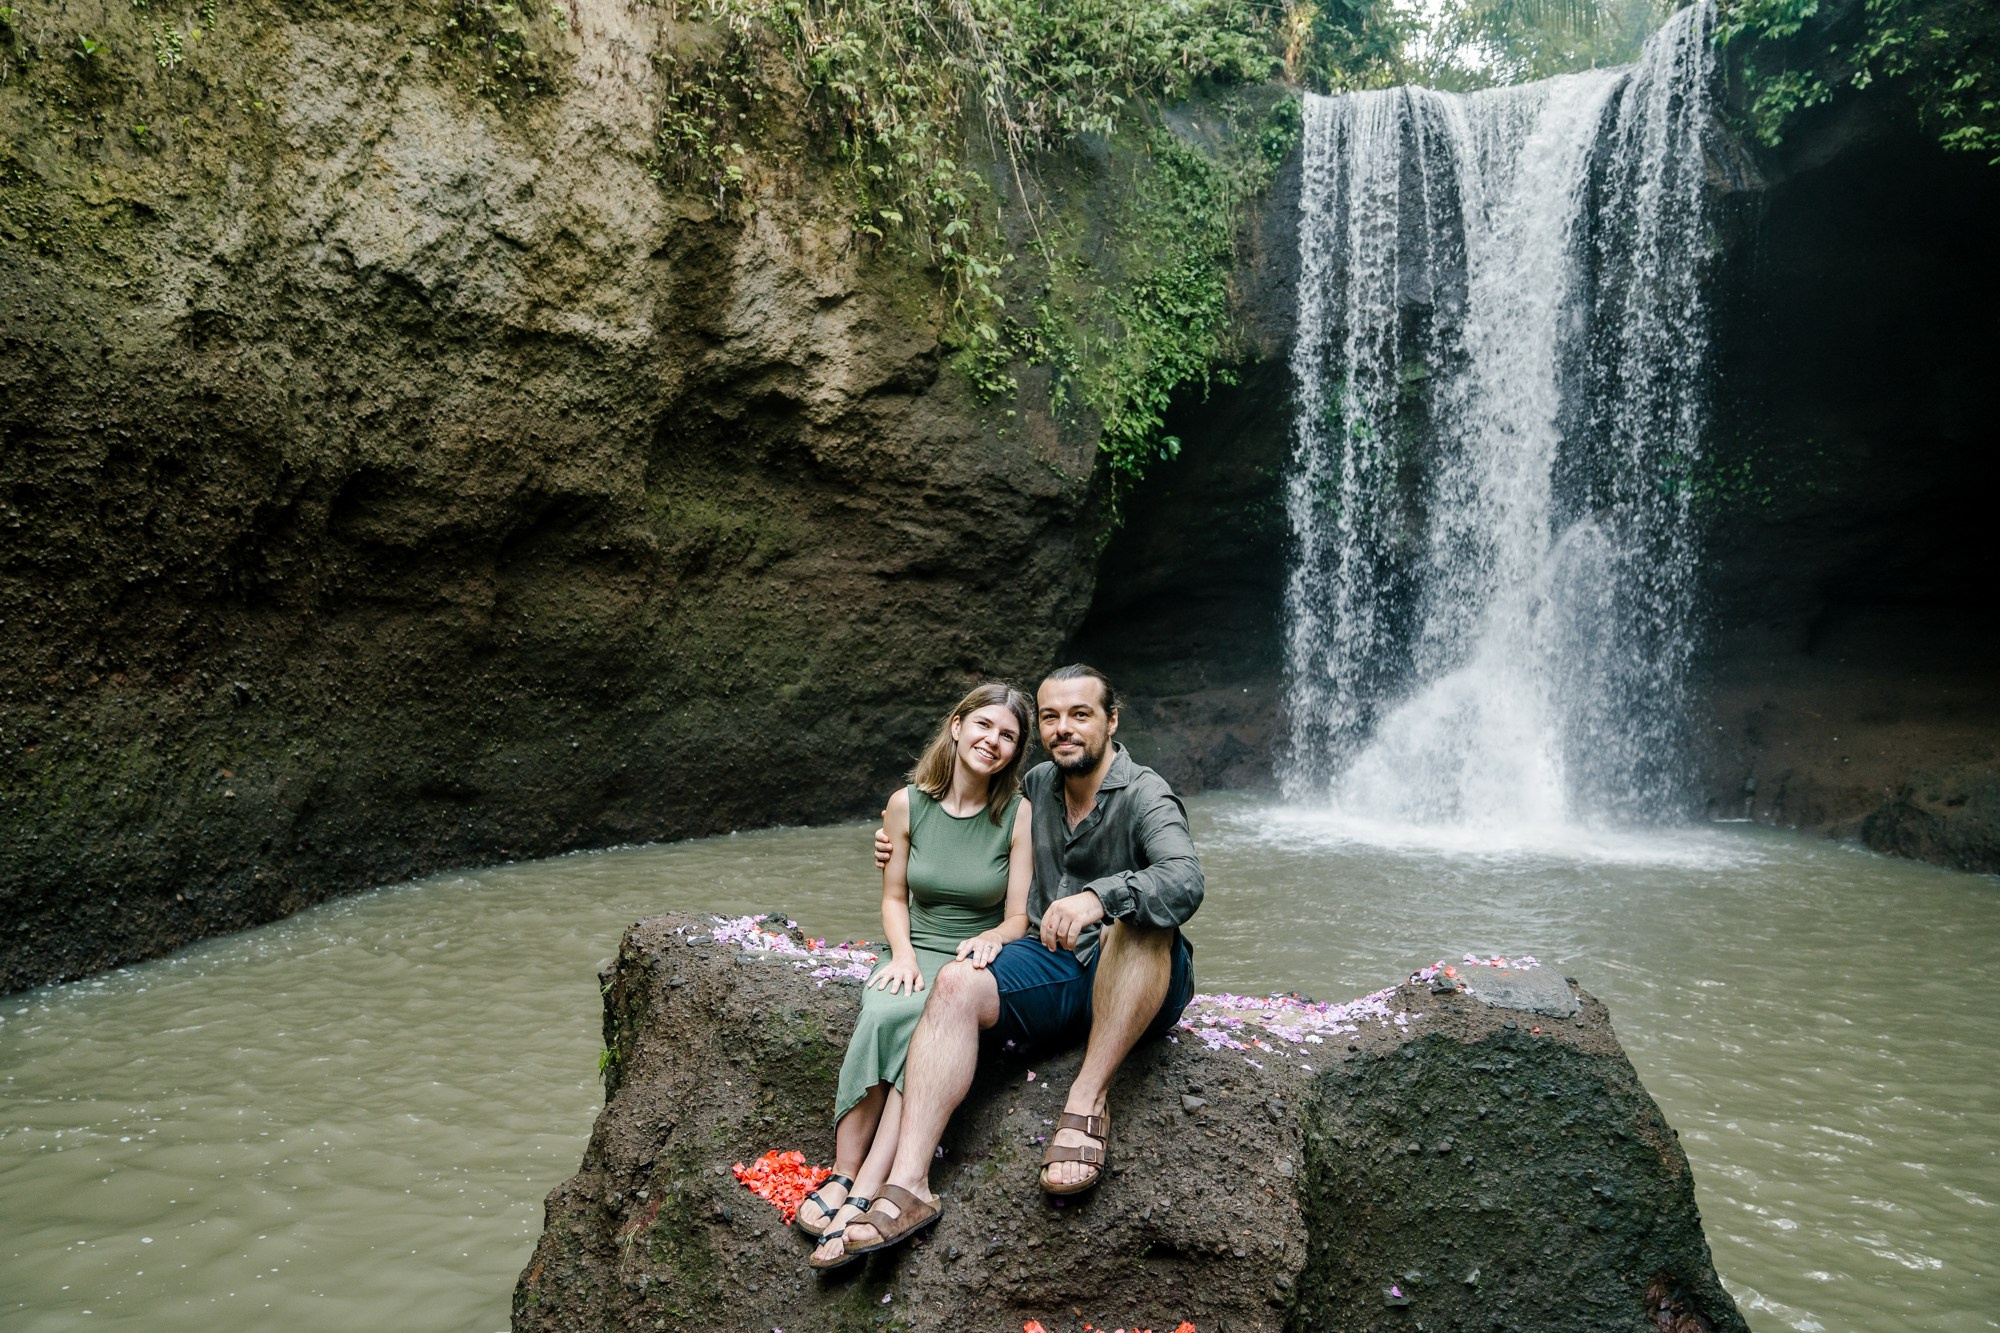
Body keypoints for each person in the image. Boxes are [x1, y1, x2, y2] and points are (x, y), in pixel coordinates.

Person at [827, 664, 1201, 1259]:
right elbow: (969, 820)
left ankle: (1084, 1104)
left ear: (1111, 720)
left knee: (1141, 920)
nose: (1063, 728)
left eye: (1080, 714)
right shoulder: (1036, 786)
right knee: (954, 982)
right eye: (1050, 717)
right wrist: (895, 844)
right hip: (1057, 967)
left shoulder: (1145, 792)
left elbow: (1184, 881)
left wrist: (1098, 896)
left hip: (1137, 976)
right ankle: (911, 1183)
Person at [798, 682, 1036, 1272]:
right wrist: (901, 957)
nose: (993, 741)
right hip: (914, 943)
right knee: (884, 1011)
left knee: (927, 1031)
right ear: (957, 726)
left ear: (1015, 752)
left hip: (971, 957)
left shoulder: (1018, 814)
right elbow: (894, 897)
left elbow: (1016, 919)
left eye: (1008, 736)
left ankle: (865, 1190)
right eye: (984, 726)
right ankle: (845, 1170)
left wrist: (990, 940)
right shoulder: (906, 804)